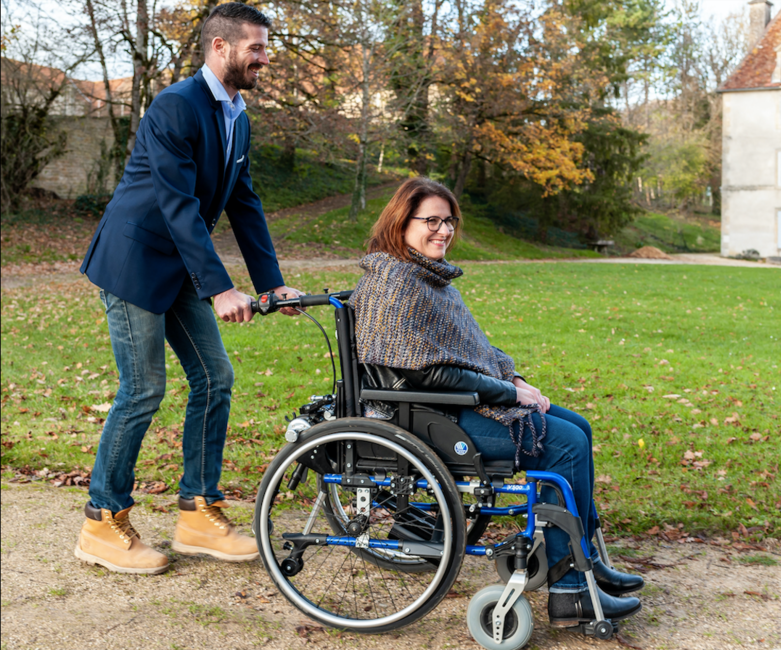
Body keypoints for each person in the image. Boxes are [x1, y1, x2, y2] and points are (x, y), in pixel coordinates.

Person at [350, 177, 644, 627]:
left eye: (450, 220)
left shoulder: (427, 277)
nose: (444, 230)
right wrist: (508, 392)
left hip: (449, 404)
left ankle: (586, 560)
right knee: (564, 445)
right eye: (432, 221)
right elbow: (426, 372)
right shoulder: (396, 282)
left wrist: (514, 377)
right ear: (401, 222)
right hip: (424, 415)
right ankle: (569, 590)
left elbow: (472, 351)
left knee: (578, 429)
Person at [76, 3, 302, 575]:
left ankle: (198, 511)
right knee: (143, 388)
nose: (264, 58)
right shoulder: (176, 105)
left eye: (265, 47)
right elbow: (178, 204)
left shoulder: (238, 116)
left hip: (179, 264)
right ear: (220, 46)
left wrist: (271, 284)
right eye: (255, 47)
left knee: (214, 377)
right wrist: (221, 288)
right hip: (134, 262)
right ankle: (102, 521)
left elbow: (243, 202)